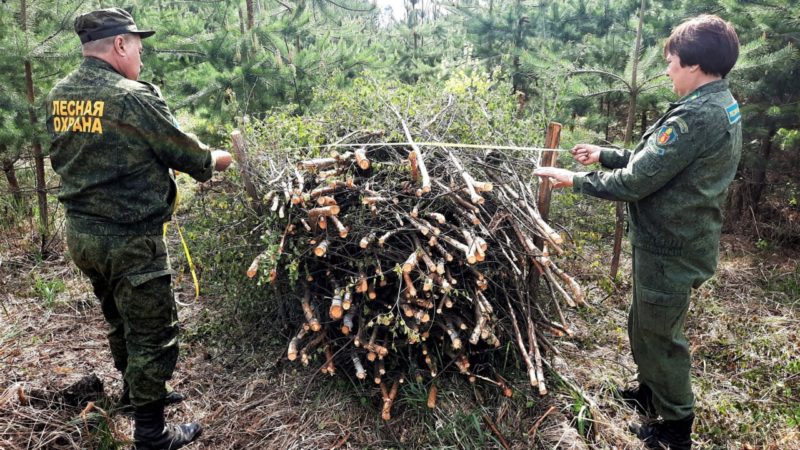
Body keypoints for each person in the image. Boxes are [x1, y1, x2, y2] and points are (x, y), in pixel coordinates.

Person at [534, 15, 741, 450]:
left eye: (671, 62)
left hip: (671, 245)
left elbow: (636, 182)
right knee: (645, 322)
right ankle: (651, 393)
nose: (667, 70)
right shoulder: (717, 103)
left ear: (694, 66)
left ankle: (675, 425)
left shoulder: (696, 116)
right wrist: (606, 154)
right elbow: (659, 161)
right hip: (677, 240)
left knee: (661, 334)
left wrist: (572, 179)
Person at [46, 8, 232, 450]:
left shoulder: (61, 93)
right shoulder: (132, 96)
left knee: (118, 316)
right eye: (139, 48)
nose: (142, 58)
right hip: (130, 238)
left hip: (82, 235)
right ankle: (151, 434)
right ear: (120, 45)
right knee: (153, 330)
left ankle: (135, 394)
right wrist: (228, 156)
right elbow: (193, 159)